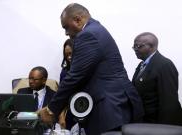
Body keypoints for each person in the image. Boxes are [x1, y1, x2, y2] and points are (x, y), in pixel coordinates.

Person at [38, 3, 144, 135]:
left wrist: (51, 110)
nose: (66, 33)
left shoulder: (87, 35)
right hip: (116, 105)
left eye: (66, 27)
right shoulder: (96, 29)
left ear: (78, 19)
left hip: (110, 108)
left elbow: (74, 76)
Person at [132, 32, 182, 125]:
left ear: (151, 46)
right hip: (145, 122)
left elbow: (169, 101)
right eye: (134, 46)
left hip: (158, 124)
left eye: (138, 46)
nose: (135, 49)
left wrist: (164, 129)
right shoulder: (142, 65)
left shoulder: (164, 65)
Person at [59, 39, 76, 130]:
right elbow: (62, 95)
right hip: (71, 113)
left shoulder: (88, 69)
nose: (69, 57)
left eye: (71, 54)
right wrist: (61, 116)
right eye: (66, 55)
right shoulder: (65, 72)